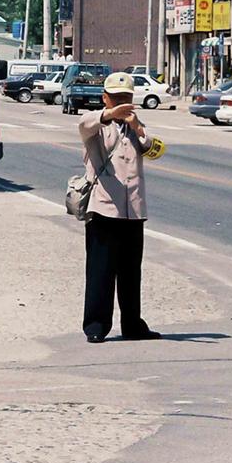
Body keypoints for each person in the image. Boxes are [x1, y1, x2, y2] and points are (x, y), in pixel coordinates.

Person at [78, 72, 165, 344]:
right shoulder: (97, 125)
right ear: (105, 98)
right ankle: (96, 325)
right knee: (100, 272)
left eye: (126, 99)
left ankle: (132, 324)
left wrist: (139, 129)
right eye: (116, 99)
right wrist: (107, 114)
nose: (121, 104)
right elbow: (83, 125)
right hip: (104, 209)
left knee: (130, 272)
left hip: (133, 211)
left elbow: (156, 151)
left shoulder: (135, 128)